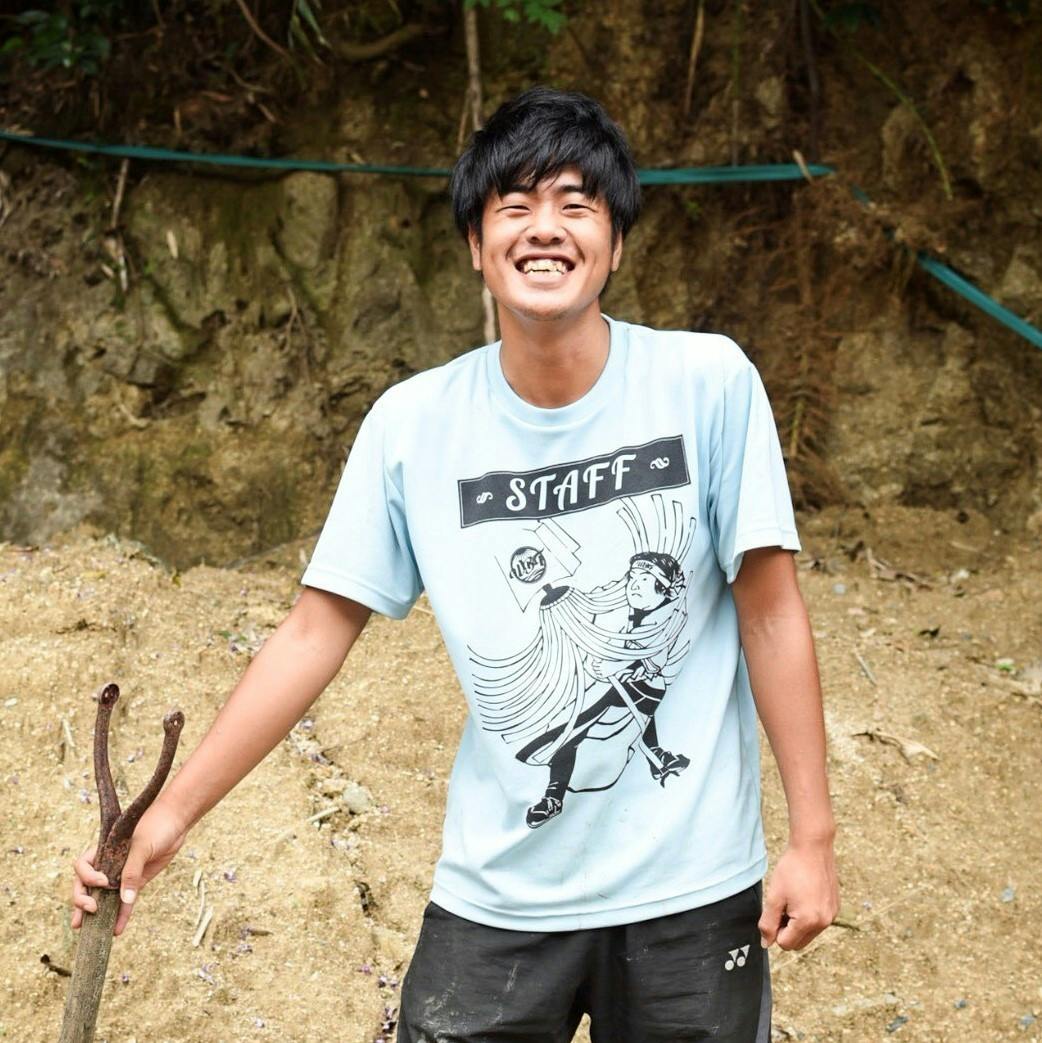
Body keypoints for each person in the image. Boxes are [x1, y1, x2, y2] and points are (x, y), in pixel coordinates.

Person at [72, 86, 839, 1041]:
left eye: (576, 204)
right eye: (514, 207)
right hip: (499, 894)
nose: (545, 228)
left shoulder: (708, 384)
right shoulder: (413, 425)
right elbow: (313, 632)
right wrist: (171, 815)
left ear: (616, 241)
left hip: (693, 891)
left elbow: (770, 611)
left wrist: (812, 838)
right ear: (477, 244)